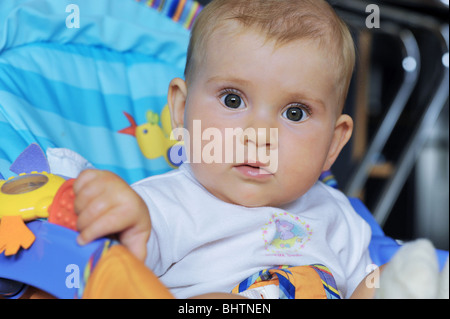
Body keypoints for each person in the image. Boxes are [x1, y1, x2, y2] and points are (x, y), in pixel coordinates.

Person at [73, 0, 375, 299]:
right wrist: (119, 215)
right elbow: (115, 270)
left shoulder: (340, 217)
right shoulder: (163, 208)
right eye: (233, 100)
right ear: (181, 110)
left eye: (294, 113)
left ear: (334, 143)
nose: (259, 135)